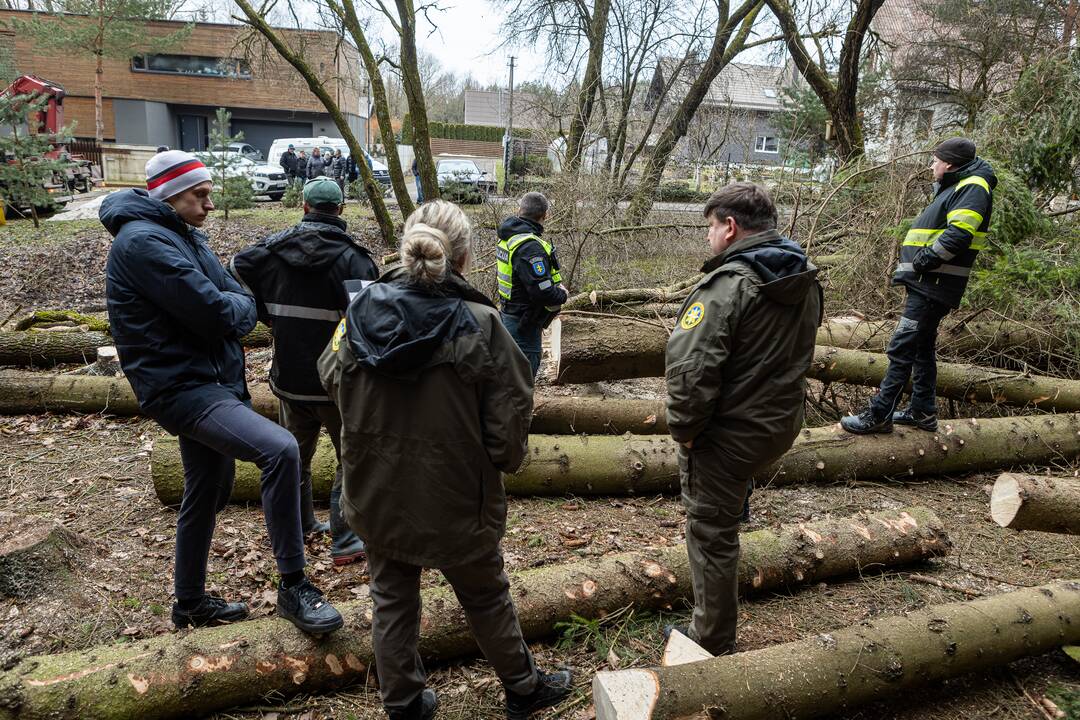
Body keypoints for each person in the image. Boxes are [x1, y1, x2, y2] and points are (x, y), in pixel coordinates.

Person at [319, 200, 573, 720]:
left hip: (376, 490)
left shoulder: (359, 313)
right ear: (462, 257)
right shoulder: (482, 325)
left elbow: (329, 374)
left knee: (391, 598)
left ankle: (404, 704)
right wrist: (504, 459)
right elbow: (510, 419)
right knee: (484, 594)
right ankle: (523, 689)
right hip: (456, 494)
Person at [100, 150, 344, 635]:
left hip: (211, 381)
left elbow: (236, 297)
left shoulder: (182, 235)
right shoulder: (144, 243)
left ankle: (189, 601)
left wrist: (234, 305)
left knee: (208, 489)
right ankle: (294, 586)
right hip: (185, 387)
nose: (210, 204)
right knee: (281, 450)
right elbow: (223, 311)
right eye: (201, 195)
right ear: (171, 195)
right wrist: (236, 307)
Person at [664, 182, 821, 655]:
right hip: (774, 427)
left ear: (730, 227)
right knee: (730, 500)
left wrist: (686, 433)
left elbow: (691, 372)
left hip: (727, 435)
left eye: (710, 228)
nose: (708, 238)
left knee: (711, 534)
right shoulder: (804, 279)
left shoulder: (728, 286)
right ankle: (737, 500)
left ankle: (711, 640)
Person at [230, 177, 375, 566]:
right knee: (352, 460)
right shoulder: (355, 259)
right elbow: (367, 322)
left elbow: (236, 265)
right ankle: (345, 541)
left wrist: (266, 313)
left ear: (305, 208)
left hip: (289, 380)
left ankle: (303, 524)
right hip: (337, 385)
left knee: (294, 457)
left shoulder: (270, 251)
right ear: (341, 210)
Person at [841, 138, 996, 434]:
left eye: (936, 160)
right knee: (921, 348)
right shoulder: (959, 185)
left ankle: (879, 414)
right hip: (929, 282)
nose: (932, 165)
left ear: (949, 163)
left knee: (902, 346)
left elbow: (959, 234)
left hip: (934, 282)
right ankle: (922, 412)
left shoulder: (973, 186)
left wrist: (925, 260)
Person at [496, 192, 567, 377]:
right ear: (545, 215)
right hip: (524, 328)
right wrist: (562, 295)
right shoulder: (529, 247)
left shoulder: (508, 238)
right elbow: (542, 293)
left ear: (519, 210)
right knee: (520, 390)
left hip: (508, 318)